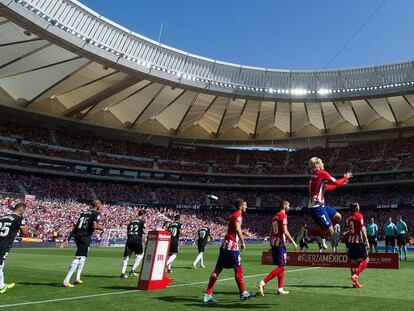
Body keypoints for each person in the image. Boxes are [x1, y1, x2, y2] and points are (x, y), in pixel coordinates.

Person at [203, 199, 256, 303]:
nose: (246, 207)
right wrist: (242, 241)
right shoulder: (238, 215)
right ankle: (243, 293)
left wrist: (244, 233)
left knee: (217, 270)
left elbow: (235, 228)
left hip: (225, 245)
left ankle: (207, 295)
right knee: (238, 269)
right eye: (245, 205)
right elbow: (236, 228)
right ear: (241, 206)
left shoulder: (233, 215)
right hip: (232, 246)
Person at [297, 157, 352, 249]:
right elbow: (337, 182)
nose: (323, 164)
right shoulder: (322, 173)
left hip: (319, 206)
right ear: (317, 164)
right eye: (322, 162)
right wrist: (345, 178)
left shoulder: (314, 176)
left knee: (338, 217)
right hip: (317, 208)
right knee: (330, 232)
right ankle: (307, 232)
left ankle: (322, 231)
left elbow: (326, 187)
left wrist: (340, 183)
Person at [257, 200, 298, 296]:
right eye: (288, 205)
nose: (289, 207)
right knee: (282, 266)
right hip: (280, 244)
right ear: (284, 206)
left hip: (275, 243)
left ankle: (280, 289)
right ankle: (262, 282)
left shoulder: (275, 216)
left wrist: (271, 241)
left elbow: (271, 230)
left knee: (281, 266)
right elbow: (285, 231)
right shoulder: (283, 216)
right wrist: (293, 242)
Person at [63, 200, 103, 287]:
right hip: (85, 237)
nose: (101, 206)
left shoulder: (83, 213)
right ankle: (66, 280)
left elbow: (75, 226)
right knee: (78, 257)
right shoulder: (97, 213)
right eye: (100, 204)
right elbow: (94, 226)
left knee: (83, 256)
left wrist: (68, 238)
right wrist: (102, 228)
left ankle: (77, 278)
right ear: (97, 205)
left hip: (77, 236)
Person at [0, 203, 28, 294]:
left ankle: (1, 284)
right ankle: (2, 286)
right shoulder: (19, 219)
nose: (24, 212)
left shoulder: (3, 217)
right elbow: (24, 232)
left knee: (1, 263)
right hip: (4, 244)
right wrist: (26, 227)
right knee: (0, 264)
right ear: (21, 210)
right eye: (24, 210)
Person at [347, 203, 369, 288]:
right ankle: (356, 275)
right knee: (366, 259)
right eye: (358, 205)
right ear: (356, 208)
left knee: (353, 262)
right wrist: (366, 240)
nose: (359, 206)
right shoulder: (359, 216)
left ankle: (354, 283)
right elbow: (362, 228)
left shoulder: (349, 218)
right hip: (357, 241)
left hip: (350, 241)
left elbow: (351, 229)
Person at [120, 210, 145, 278]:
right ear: (143, 215)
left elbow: (128, 231)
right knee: (140, 255)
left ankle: (122, 273)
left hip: (130, 240)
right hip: (137, 240)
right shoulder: (142, 221)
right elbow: (143, 231)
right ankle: (132, 271)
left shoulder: (131, 221)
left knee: (126, 257)